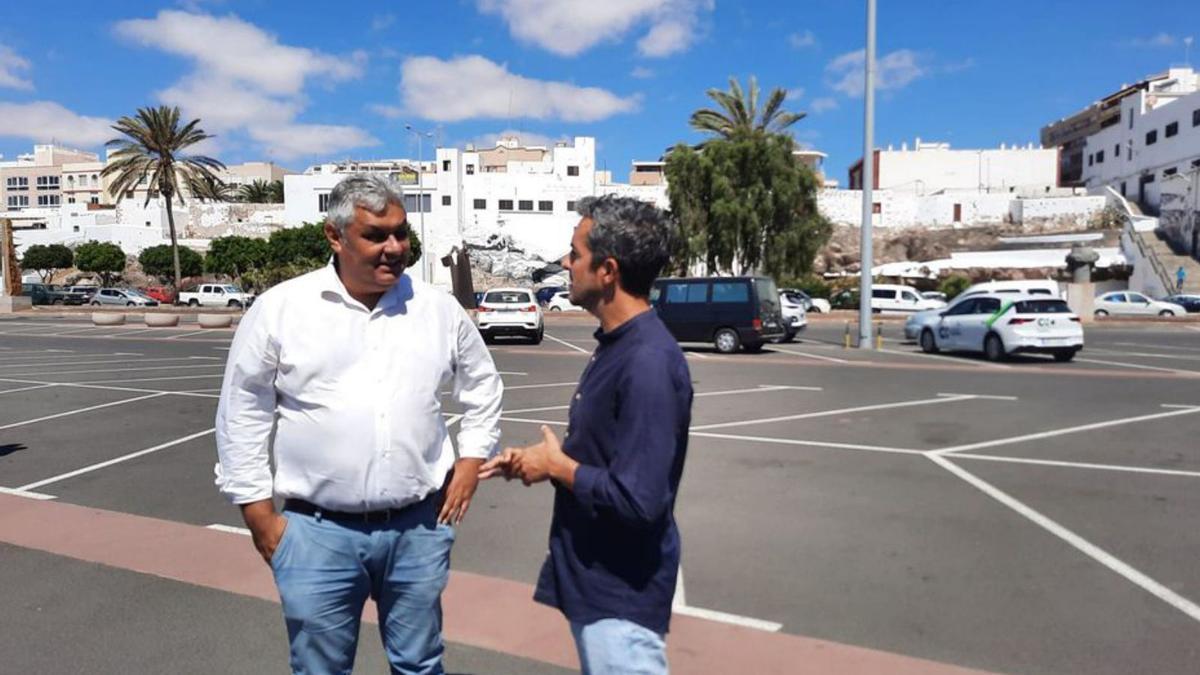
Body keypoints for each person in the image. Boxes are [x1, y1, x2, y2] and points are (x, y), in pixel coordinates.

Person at [214, 173, 503, 675]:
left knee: (419, 664)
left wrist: (470, 463)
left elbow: (483, 387)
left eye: (401, 233)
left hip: (419, 528)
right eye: (376, 235)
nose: (394, 248)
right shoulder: (283, 308)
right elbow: (242, 410)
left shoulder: (436, 310)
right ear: (335, 236)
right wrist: (258, 513)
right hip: (316, 535)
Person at [479, 195, 691, 674]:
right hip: (597, 583)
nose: (565, 263)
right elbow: (606, 457)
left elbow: (642, 499)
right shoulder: (618, 345)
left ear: (608, 270)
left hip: (622, 596)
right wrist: (541, 460)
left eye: (575, 253)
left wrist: (560, 466)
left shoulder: (648, 362)